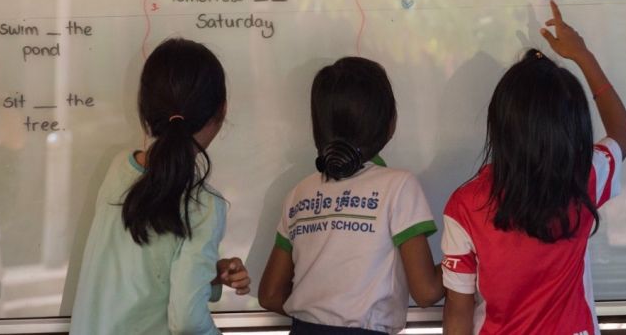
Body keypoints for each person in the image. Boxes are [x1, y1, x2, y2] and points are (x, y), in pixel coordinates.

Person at [441, 1, 626, 335]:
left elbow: (458, 310)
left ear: (499, 125)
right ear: (574, 128)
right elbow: (623, 133)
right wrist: (582, 56)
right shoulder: (584, 178)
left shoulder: (465, 205)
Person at [70, 38, 250, 335]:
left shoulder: (119, 169)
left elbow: (139, 275)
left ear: (145, 110)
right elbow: (189, 322)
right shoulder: (204, 206)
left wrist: (209, 274)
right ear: (222, 111)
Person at [258, 56, 443, 335]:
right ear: (390, 123)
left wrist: (320, 312)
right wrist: (471, 257)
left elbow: (270, 294)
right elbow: (427, 292)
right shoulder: (398, 186)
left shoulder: (300, 192)